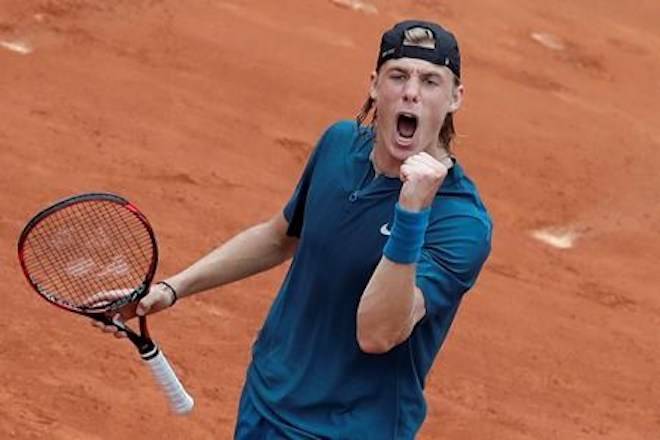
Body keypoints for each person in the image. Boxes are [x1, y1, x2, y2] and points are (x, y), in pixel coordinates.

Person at [95, 19, 493, 439]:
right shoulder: (339, 145)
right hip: (266, 401)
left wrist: (411, 214)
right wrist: (169, 289)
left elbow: (377, 333)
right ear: (375, 85)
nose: (411, 91)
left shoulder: (460, 222)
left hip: (348, 429)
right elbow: (278, 236)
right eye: (399, 76)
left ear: (455, 98)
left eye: (431, 81)